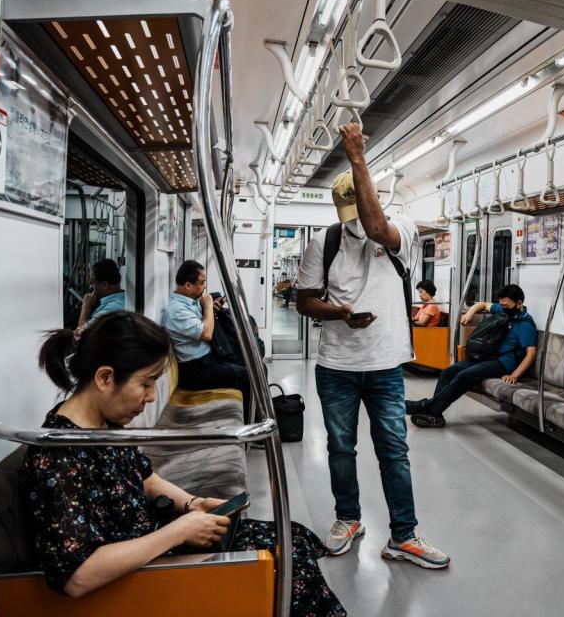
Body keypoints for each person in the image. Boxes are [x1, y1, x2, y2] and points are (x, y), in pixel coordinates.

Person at [21, 312, 345, 616]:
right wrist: (178, 531)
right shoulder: (56, 457)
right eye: (146, 383)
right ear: (105, 377)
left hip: (157, 546)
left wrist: (193, 503)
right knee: (292, 559)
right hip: (144, 578)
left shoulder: (102, 429)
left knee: (296, 536)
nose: (150, 397)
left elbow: (145, 479)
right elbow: (77, 575)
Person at [294, 123, 450, 570]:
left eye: (360, 213)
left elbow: (377, 226)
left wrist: (357, 156)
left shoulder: (398, 229)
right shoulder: (322, 244)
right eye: (351, 218)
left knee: (393, 450)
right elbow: (305, 302)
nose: (357, 227)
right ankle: (349, 519)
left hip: (384, 366)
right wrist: (339, 313)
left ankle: (403, 535)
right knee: (341, 449)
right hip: (336, 365)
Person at [407, 284, 537, 429]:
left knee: (465, 375)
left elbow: (530, 354)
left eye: (507, 305)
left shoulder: (526, 324)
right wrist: (470, 312)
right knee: (448, 372)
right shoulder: (505, 310)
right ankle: (435, 414)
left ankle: (429, 407)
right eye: (502, 305)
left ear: (519, 303)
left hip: (503, 362)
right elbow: (483, 304)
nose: (503, 308)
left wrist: (515, 375)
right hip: (487, 356)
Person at [163, 260, 253, 420]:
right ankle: (249, 425)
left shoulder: (191, 303)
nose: (204, 287)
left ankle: (255, 418)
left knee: (249, 364)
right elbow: (206, 333)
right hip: (195, 371)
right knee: (247, 376)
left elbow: (204, 322)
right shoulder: (177, 310)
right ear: (188, 285)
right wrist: (209, 307)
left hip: (209, 360)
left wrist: (210, 309)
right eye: (202, 283)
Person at [77, 259, 125, 330]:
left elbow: (81, 334)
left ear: (105, 285)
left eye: (93, 283)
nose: (91, 288)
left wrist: (86, 307)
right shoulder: (124, 298)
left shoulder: (110, 309)